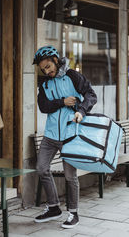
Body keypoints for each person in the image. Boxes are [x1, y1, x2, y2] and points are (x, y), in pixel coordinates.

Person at [33, 45, 97, 229]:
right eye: (43, 68)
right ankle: (53, 207)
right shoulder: (44, 83)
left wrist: (82, 111)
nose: (47, 71)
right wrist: (62, 102)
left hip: (70, 134)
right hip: (51, 134)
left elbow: (91, 96)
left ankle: (73, 213)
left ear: (55, 60)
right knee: (41, 168)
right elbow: (44, 106)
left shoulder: (73, 76)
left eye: (48, 66)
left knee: (70, 176)